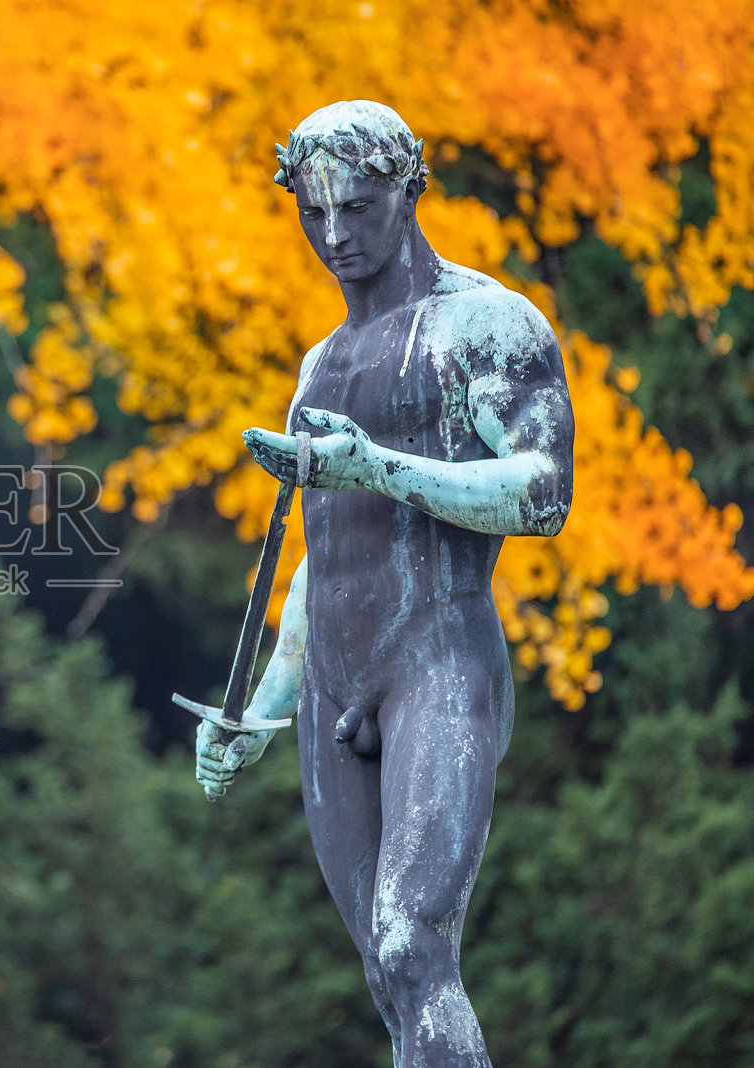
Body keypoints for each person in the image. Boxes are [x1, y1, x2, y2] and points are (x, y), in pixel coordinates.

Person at [195, 100, 574, 1067]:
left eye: (357, 208)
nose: (335, 235)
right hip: (333, 684)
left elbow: (543, 493)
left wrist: (380, 467)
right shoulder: (318, 366)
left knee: (412, 945)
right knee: (385, 971)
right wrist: (258, 710)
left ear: (409, 188)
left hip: (435, 662)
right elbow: (324, 553)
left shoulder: (485, 324)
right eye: (313, 212)